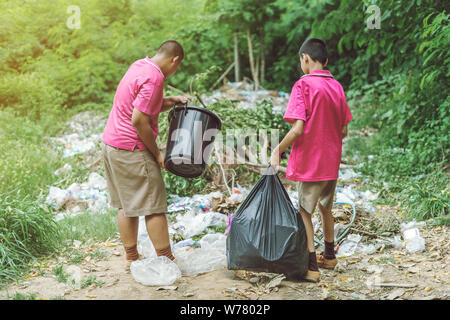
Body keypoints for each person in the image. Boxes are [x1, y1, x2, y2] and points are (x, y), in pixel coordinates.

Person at [270, 38, 352, 283]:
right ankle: (330, 255)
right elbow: (344, 130)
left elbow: (297, 130)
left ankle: (312, 267)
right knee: (325, 207)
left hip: (310, 164)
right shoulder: (336, 86)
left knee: (305, 212)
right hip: (331, 162)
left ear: (305, 58)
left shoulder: (303, 85)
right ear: (324, 61)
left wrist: (277, 150)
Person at [101, 40, 188, 271]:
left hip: (111, 145)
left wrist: (170, 102)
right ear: (175, 60)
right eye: (176, 68)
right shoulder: (155, 78)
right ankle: (167, 260)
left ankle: (131, 257)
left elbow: (140, 106)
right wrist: (157, 153)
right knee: (154, 206)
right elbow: (139, 120)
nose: (173, 72)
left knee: (126, 205)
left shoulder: (140, 66)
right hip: (132, 149)